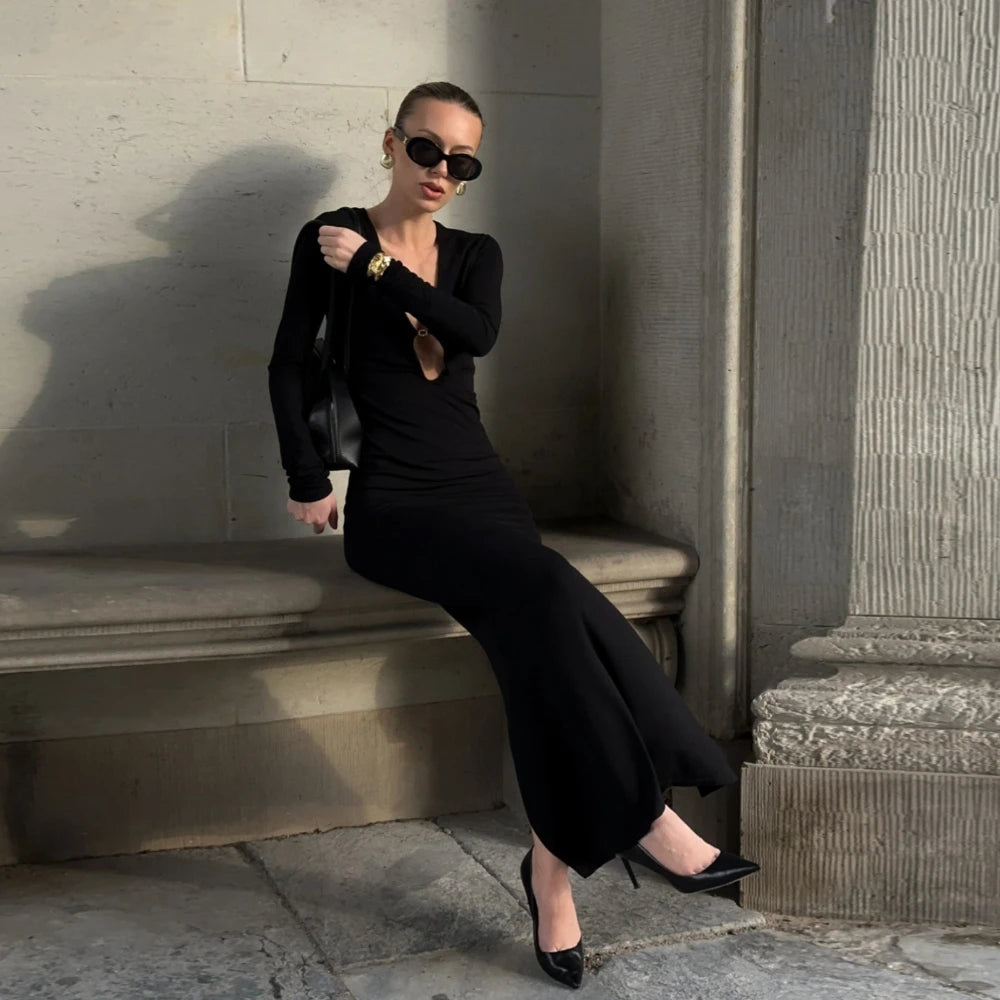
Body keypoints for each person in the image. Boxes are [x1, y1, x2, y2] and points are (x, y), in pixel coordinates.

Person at [267, 80, 758, 990]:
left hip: (483, 492)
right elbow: (289, 359)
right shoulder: (326, 232)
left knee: (541, 645)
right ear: (390, 142)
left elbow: (474, 333)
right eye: (425, 151)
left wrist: (374, 269)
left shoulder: (471, 252)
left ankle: (553, 873)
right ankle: (646, 816)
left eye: (462, 162)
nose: (441, 173)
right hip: (397, 508)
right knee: (550, 592)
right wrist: (306, 477)